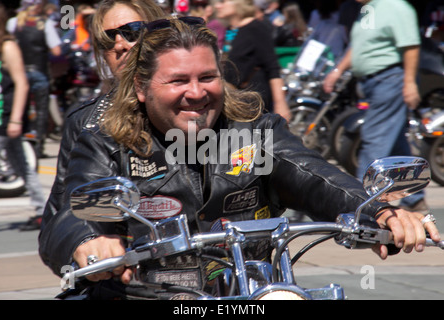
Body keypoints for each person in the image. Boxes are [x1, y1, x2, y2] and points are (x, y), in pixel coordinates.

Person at [39, 17, 441, 299]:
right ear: (142, 88)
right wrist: (90, 240)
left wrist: (379, 212)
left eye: (206, 77)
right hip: (143, 292)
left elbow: (312, 173)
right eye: (178, 80)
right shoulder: (108, 138)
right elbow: (73, 207)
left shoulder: (254, 130)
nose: (196, 93)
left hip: (249, 287)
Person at [40, 0, 165, 231]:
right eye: (108, 39)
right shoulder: (85, 123)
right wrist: (85, 241)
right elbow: (61, 220)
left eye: (132, 31)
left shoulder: (206, 102)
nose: (119, 45)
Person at [323, 0, 427, 212]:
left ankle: (361, 203)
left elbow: (411, 46)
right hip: (373, 83)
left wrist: (409, 83)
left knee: (373, 139)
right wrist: (337, 70)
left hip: (389, 80)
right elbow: (359, 45)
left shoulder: (396, 7)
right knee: (396, 143)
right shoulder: (368, 10)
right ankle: (414, 198)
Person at [0, 1, 46, 231]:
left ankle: (43, 211)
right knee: (22, 165)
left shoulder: (7, 47)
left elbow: (22, 84)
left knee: (21, 164)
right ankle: (42, 211)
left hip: (4, 119)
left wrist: (15, 119)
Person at [215, 0, 291, 121]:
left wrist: (280, 104)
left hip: (251, 103)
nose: (217, 6)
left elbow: (273, 68)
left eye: (223, 1)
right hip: (232, 100)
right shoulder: (231, 29)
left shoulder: (256, 28)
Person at [6, 0, 62, 159]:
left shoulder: (14, 22)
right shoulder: (46, 23)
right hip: (39, 72)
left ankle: (20, 145)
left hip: (19, 72)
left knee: (19, 109)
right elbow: (57, 50)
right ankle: (38, 148)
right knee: (41, 112)